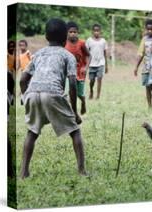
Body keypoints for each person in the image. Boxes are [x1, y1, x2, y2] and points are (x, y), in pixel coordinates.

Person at [19, 18, 87, 179]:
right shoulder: (67, 55)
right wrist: (74, 112)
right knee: (75, 131)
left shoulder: (38, 54)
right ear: (65, 38)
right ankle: (82, 170)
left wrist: (24, 96)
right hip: (53, 93)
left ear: (46, 36)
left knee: (32, 132)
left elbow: (22, 79)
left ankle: (23, 172)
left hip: (33, 92)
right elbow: (72, 82)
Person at [65, 21, 90, 115]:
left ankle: (83, 102)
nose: (72, 34)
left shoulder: (81, 43)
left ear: (78, 33)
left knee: (80, 94)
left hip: (80, 72)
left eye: (74, 32)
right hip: (68, 73)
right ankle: (73, 112)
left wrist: (86, 67)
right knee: (69, 92)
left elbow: (89, 55)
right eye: (70, 32)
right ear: (66, 33)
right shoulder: (64, 44)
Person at [86, 23, 108, 100]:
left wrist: (106, 66)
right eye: (95, 31)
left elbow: (105, 54)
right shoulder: (89, 40)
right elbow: (87, 53)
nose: (96, 32)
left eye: (98, 31)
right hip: (92, 64)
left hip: (101, 63)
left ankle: (98, 96)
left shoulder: (103, 41)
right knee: (92, 80)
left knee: (99, 79)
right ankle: (91, 91)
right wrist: (86, 65)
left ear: (100, 31)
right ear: (92, 31)